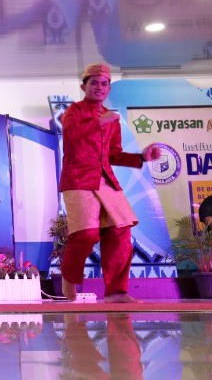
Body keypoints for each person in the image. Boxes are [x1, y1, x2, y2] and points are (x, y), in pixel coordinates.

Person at [58, 63, 160, 303]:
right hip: (78, 179)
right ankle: (69, 278)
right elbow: (71, 136)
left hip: (105, 180)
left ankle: (116, 292)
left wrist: (141, 157)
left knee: (120, 229)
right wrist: (99, 123)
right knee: (86, 234)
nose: (99, 87)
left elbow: (113, 154)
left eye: (104, 84)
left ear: (109, 88)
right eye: (94, 83)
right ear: (84, 86)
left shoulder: (111, 118)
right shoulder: (74, 111)